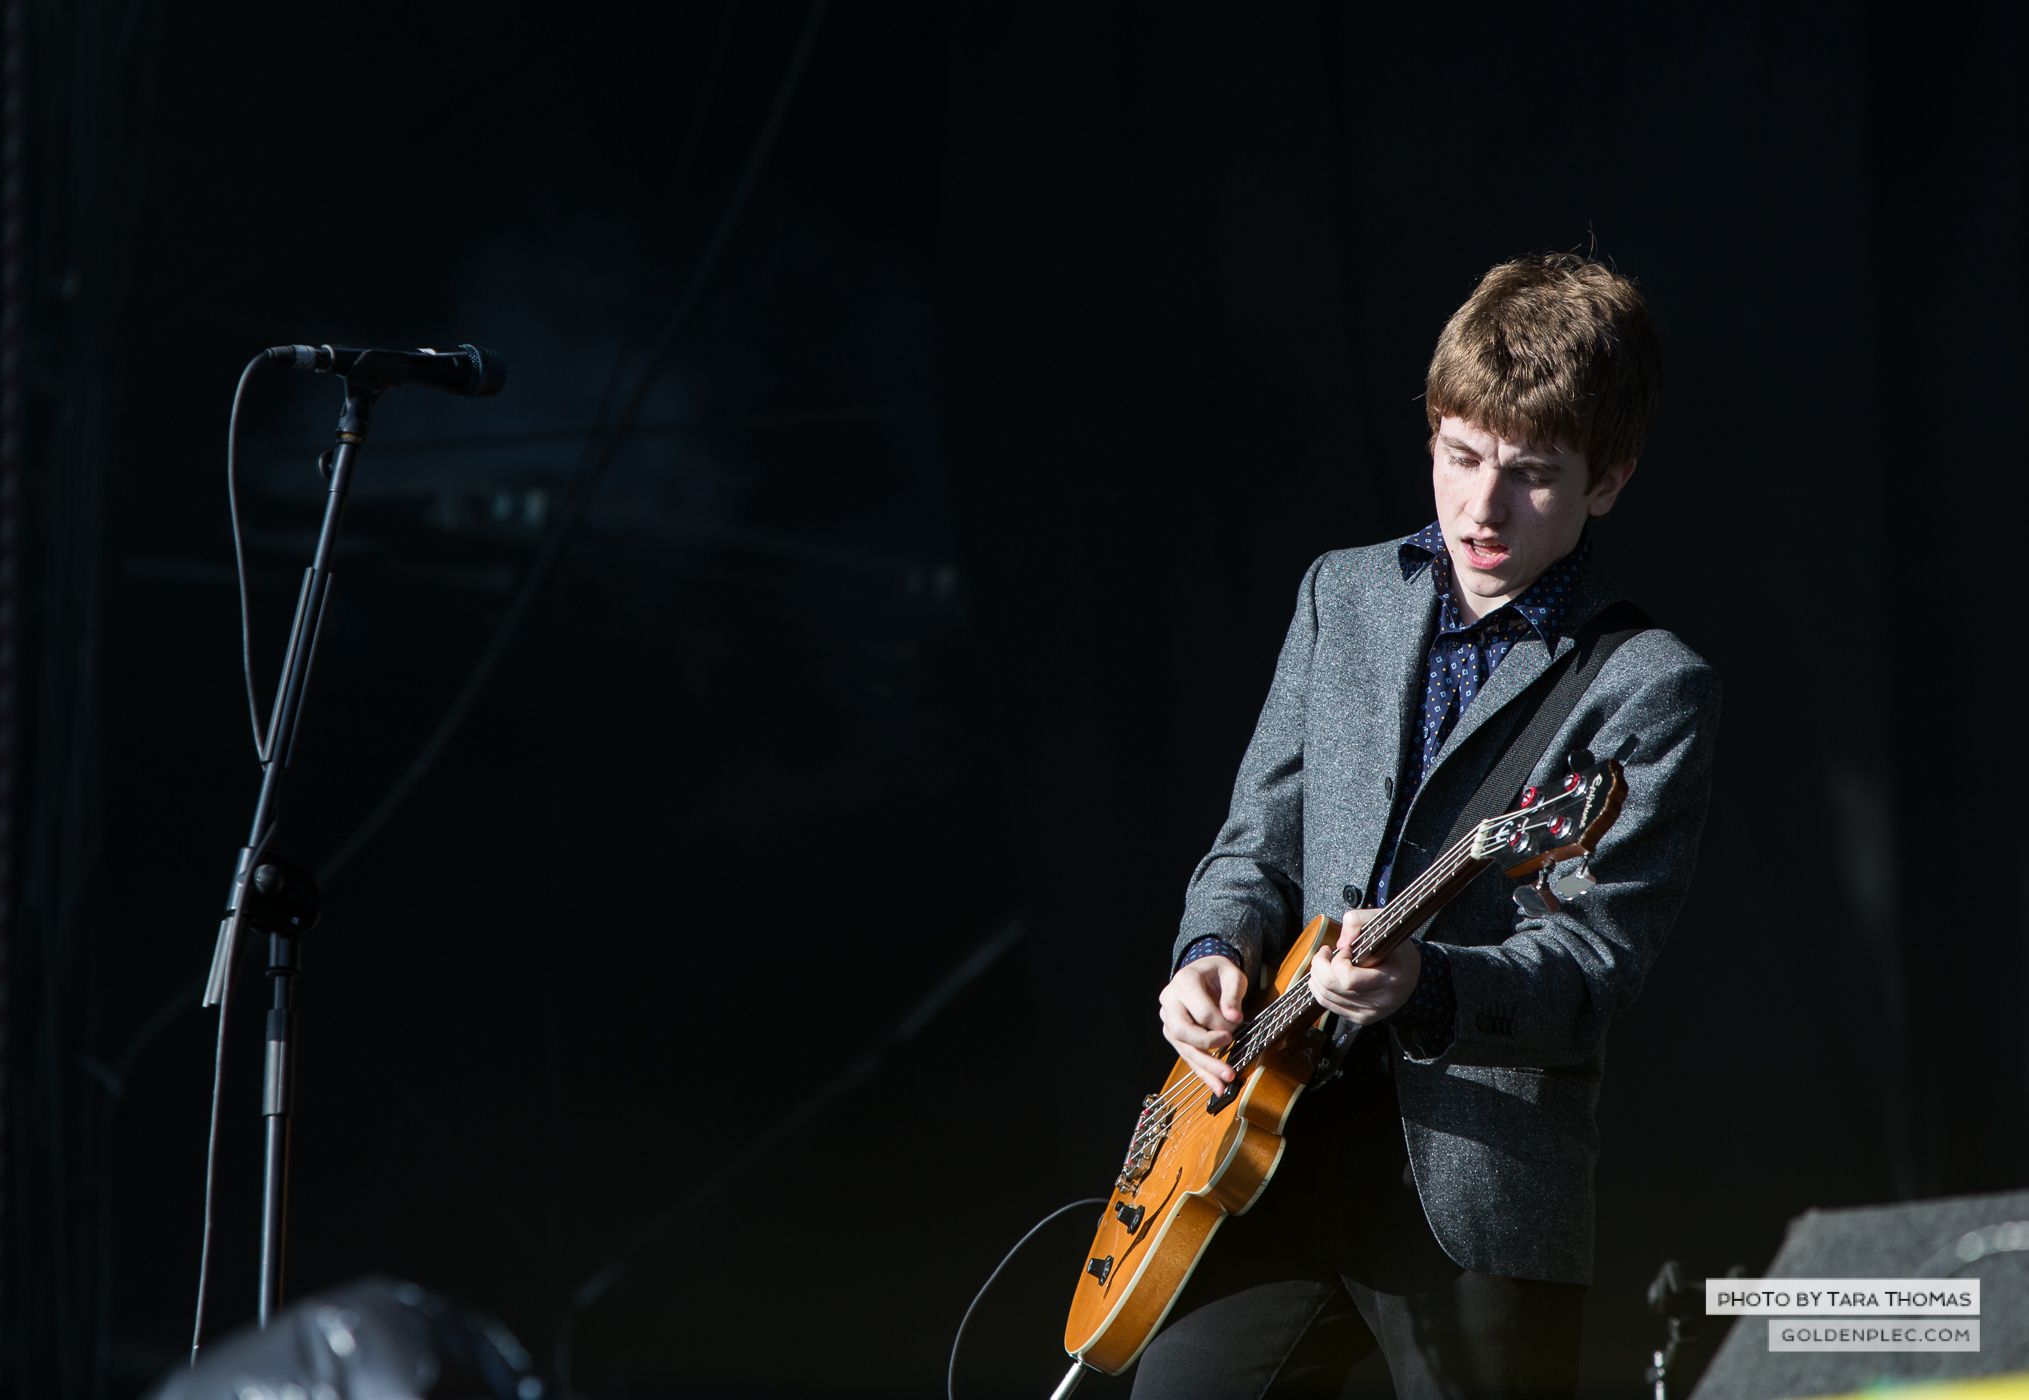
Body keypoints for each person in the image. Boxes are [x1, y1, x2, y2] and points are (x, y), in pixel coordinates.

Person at [1132, 253, 1721, 1398]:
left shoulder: (1650, 685)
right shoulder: (1339, 594)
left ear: (1608, 482)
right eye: (1459, 456)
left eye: (1532, 475)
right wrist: (1207, 953)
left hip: (1475, 1188)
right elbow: (1256, 835)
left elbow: (1594, 965)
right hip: (1261, 1149)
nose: (1480, 507)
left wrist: (1427, 983)